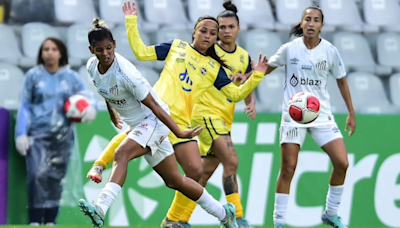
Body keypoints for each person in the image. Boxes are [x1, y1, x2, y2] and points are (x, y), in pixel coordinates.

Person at [84, 1, 268, 227]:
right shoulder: (176, 47)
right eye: (204, 31)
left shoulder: (214, 68)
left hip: (177, 122)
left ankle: (216, 214)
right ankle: (100, 186)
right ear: (194, 31)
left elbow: (236, 94)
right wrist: (131, 21)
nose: (208, 36)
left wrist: (257, 75)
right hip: (155, 116)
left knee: (192, 173)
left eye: (213, 33)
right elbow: (141, 53)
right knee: (126, 151)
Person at [263, 6, 356, 228]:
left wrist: (351, 112)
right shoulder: (289, 49)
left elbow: (341, 80)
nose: (311, 24)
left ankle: (331, 213)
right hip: (293, 115)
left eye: (316, 20)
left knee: (342, 163)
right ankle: (279, 222)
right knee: (288, 167)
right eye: (308, 19)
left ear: (322, 25)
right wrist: (247, 75)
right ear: (302, 23)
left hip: (321, 114)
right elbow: (267, 67)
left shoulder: (330, 51)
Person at [176, 2, 255, 228]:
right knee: (231, 160)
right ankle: (237, 218)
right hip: (207, 115)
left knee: (203, 173)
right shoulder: (210, 51)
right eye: (222, 27)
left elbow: (246, 82)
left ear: (238, 28)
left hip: (223, 119)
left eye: (231, 27)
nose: (226, 31)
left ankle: (178, 219)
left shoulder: (243, 57)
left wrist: (251, 101)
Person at [15, 37, 97, 225]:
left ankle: (51, 219)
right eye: (45, 49)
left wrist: (90, 108)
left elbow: (86, 97)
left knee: (55, 178)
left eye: (53, 49)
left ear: (61, 53)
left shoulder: (71, 77)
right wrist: (21, 133)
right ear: (41, 53)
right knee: (36, 176)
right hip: (37, 135)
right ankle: (35, 219)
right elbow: (25, 105)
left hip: (62, 137)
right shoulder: (33, 76)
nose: (49, 52)